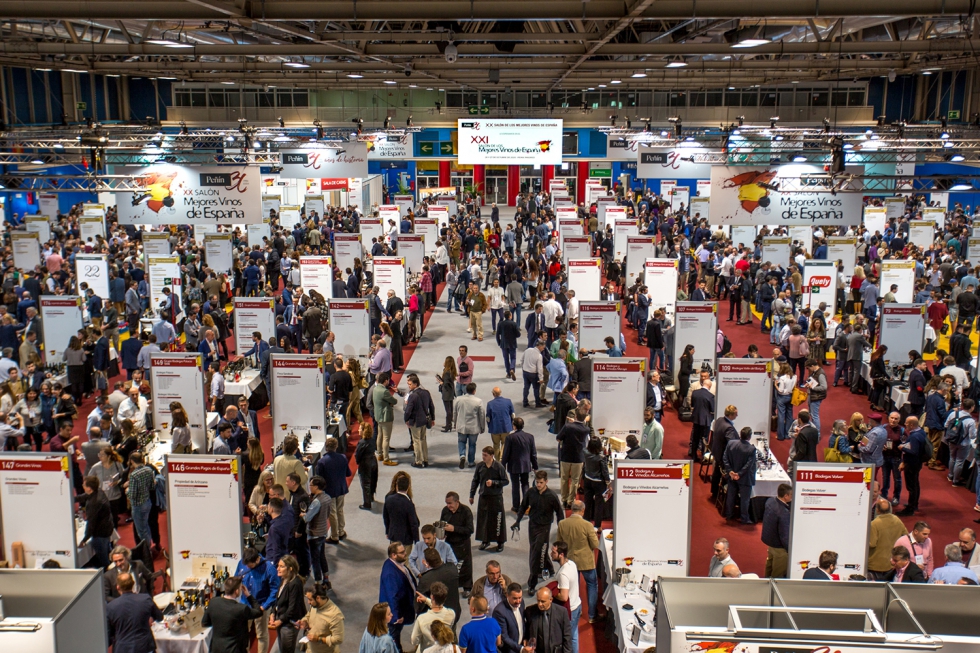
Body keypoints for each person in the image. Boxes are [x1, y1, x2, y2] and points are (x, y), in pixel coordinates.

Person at [513, 470, 564, 591]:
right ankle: (550, 569)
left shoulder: (552, 496)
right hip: (533, 525)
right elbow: (523, 507)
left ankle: (532, 582)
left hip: (545, 527)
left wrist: (561, 530)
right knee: (538, 550)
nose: (538, 485)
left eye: (541, 482)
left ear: (546, 481)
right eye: (537, 482)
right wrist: (517, 521)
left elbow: (559, 513)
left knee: (536, 553)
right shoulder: (531, 492)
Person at [555, 500, 600, 623]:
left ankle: (576, 610)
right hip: (586, 562)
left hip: (570, 561)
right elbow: (595, 544)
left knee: (573, 587)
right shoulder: (587, 525)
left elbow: (559, 543)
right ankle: (591, 616)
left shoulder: (562, 524)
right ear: (583, 510)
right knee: (592, 585)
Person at [202, 576, 265, 653]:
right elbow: (259, 611)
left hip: (216, 648)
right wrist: (248, 595)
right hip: (235, 649)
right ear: (237, 591)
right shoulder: (242, 609)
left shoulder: (213, 602)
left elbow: (204, 623)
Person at [235, 547, 280, 653]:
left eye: (249, 565)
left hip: (261, 605)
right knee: (244, 633)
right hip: (245, 604)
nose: (246, 566)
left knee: (261, 634)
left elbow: (275, 590)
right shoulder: (242, 563)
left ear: (257, 560)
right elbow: (236, 577)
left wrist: (265, 606)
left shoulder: (269, 568)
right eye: (245, 564)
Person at [106, 573, 163, 653]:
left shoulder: (110, 607)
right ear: (133, 584)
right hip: (145, 646)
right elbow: (160, 617)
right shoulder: (145, 599)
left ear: (118, 587)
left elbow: (108, 634)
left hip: (123, 649)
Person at [471, 446, 509, 553]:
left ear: (492, 456)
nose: (483, 457)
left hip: (496, 497)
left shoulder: (498, 467)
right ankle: (485, 540)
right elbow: (475, 481)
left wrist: (494, 483)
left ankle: (500, 542)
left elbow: (506, 481)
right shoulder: (480, 466)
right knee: (483, 520)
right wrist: (471, 495)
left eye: (485, 455)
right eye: (482, 455)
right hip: (483, 497)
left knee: (498, 520)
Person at [379, 542, 416, 651]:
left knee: (395, 636)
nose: (405, 554)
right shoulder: (390, 573)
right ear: (393, 555)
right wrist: (395, 616)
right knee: (393, 637)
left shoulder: (396, 564)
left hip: (401, 608)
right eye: (402, 552)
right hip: (395, 614)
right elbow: (392, 596)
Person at [315, 438, 351, 543]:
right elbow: (348, 473)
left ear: (326, 447)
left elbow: (319, 479)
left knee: (332, 513)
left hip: (329, 491)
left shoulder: (322, 462)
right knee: (340, 510)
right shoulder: (343, 458)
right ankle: (341, 531)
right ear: (336, 446)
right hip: (341, 488)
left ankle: (334, 536)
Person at [441, 491, 475, 596]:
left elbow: (470, 530)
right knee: (450, 567)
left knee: (465, 567)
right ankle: (451, 587)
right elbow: (442, 523)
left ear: (457, 502)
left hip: (463, 544)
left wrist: (454, 528)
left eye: (450, 503)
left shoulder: (466, 511)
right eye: (447, 503)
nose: (448, 506)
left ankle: (467, 588)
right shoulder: (445, 511)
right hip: (449, 544)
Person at [501, 417, 538, 513]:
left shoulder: (510, 438)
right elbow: (533, 453)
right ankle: (526, 506)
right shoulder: (530, 437)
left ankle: (516, 507)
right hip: (526, 465)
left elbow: (506, 453)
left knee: (515, 486)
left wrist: (502, 465)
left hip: (514, 466)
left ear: (514, 426)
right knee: (525, 484)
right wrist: (535, 466)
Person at [551, 540, 582, 653]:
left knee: (567, 640)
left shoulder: (563, 574)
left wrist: (553, 594)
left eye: (554, 552)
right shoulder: (572, 564)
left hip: (570, 610)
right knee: (574, 636)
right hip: (577, 605)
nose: (551, 554)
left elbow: (564, 597)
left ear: (561, 554)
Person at [868, 499, 909, 581]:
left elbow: (872, 544)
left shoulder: (874, 524)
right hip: (892, 563)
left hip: (876, 564)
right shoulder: (897, 520)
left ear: (877, 510)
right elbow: (906, 535)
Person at [299, 582, 346, 653]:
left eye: (310, 599)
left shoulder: (335, 615)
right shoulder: (315, 605)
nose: (308, 602)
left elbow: (338, 639)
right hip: (310, 649)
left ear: (318, 598)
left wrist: (318, 639)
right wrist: (305, 621)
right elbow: (309, 615)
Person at [78, 475, 113, 569]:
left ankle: (108, 575)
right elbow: (85, 496)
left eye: (84, 485)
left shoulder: (94, 503)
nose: (82, 486)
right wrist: (73, 499)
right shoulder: (99, 491)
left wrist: (84, 540)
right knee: (107, 552)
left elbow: (91, 524)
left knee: (103, 559)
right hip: (107, 528)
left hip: (100, 533)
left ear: (89, 488)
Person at [724, 426, 758, 524]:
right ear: (749, 437)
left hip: (732, 476)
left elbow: (725, 458)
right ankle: (744, 518)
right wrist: (739, 474)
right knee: (745, 499)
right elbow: (749, 465)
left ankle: (729, 515)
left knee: (731, 496)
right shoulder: (751, 449)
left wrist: (730, 471)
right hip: (745, 478)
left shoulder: (731, 443)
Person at [523, 587, 571, 653]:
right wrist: (526, 639)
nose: (540, 604)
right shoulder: (530, 611)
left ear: (550, 599)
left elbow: (567, 636)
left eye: (543, 601)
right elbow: (527, 629)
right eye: (538, 600)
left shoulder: (561, 612)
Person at [411, 580, 456, 651]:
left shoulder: (422, 619)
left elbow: (414, 641)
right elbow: (438, 608)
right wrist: (426, 600)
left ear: (432, 597)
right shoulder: (451, 613)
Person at [404, 373, 435, 468]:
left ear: (415, 384)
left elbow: (408, 410)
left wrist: (406, 420)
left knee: (416, 441)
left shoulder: (412, 396)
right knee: (423, 440)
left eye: (410, 384)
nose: (408, 386)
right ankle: (425, 460)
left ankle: (418, 461)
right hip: (424, 420)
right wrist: (433, 418)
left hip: (415, 421)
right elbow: (431, 406)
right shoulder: (426, 392)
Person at [899, 416, 928, 516]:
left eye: (906, 423)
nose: (905, 424)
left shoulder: (915, 436)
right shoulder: (921, 432)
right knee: (915, 484)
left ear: (911, 425)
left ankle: (910, 509)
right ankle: (914, 504)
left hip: (912, 464)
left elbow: (914, 451)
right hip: (917, 463)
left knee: (911, 486)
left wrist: (902, 448)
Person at [762, 483, 792, 578]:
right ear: (786, 496)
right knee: (778, 573)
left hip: (770, 543)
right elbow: (784, 535)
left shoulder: (770, 501)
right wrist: (789, 549)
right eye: (791, 495)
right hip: (780, 548)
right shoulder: (783, 513)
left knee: (769, 567)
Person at [384, 474, 420, 552]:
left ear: (397, 486)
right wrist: (417, 541)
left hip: (393, 536)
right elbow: (414, 524)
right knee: (404, 562)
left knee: (394, 559)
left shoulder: (389, 499)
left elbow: (386, 517)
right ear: (408, 487)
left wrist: (388, 531)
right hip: (406, 539)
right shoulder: (408, 503)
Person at [709, 405, 739, 498]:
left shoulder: (719, 420)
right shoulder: (728, 428)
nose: (737, 415)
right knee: (719, 473)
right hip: (723, 454)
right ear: (730, 415)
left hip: (716, 450)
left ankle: (714, 492)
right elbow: (731, 443)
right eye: (735, 414)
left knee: (716, 473)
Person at [454, 383, 486, 469]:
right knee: (472, 444)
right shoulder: (478, 401)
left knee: (461, 442)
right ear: (474, 391)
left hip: (461, 426)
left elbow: (455, 413)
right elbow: (482, 415)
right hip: (473, 427)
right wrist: (482, 427)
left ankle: (462, 455)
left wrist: (455, 423)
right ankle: (471, 462)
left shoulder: (458, 399)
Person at [492, 583, 526, 653]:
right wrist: (521, 649)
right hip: (509, 650)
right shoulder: (499, 611)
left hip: (521, 645)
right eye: (515, 598)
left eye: (520, 598)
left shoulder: (521, 602)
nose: (518, 601)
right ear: (507, 595)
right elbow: (504, 637)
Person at [688, 375, 715, 459]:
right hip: (706, 420)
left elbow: (692, 404)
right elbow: (712, 409)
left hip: (696, 418)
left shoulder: (695, 393)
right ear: (709, 386)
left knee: (695, 437)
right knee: (704, 439)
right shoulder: (710, 396)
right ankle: (703, 456)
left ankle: (693, 455)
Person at [486, 386, 515, 461]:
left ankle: (498, 459)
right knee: (504, 444)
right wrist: (510, 424)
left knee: (496, 445)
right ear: (500, 393)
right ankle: (502, 457)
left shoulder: (490, 404)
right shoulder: (508, 401)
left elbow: (488, 418)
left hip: (495, 428)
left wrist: (490, 426)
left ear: (493, 394)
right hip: (506, 427)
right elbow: (513, 415)